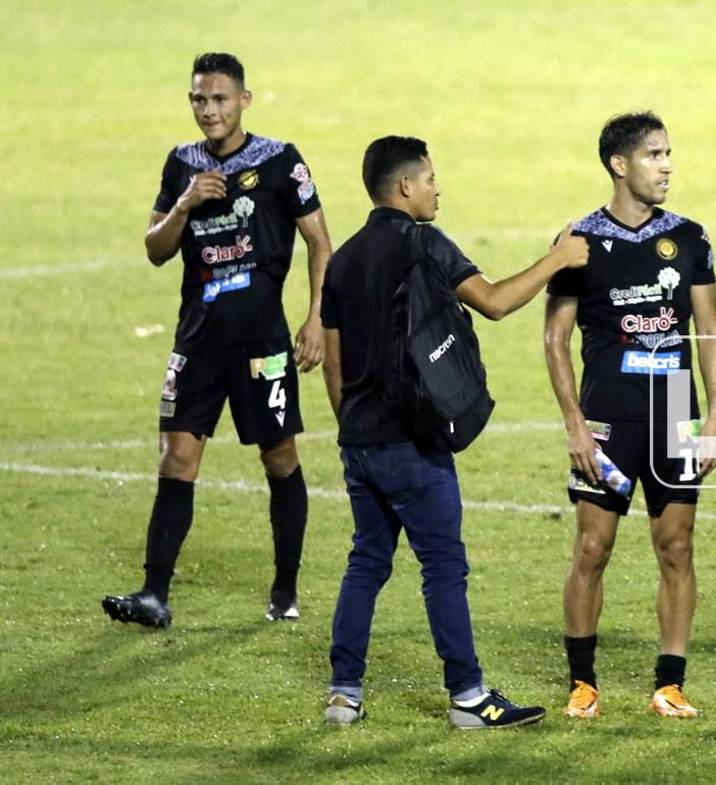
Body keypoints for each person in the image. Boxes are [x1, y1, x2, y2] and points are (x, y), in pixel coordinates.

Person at [320, 135, 589, 728]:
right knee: (443, 566)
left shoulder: (342, 258)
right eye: (431, 178)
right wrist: (558, 259)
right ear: (405, 187)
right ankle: (469, 696)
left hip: (359, 442)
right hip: (413, 444)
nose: (438, 188)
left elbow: (334, 362)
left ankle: (344, 693)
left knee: (366, 561)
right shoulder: (424, 243)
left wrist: (354, 427)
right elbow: (493, 303)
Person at [102, 52, 332, 628]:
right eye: (199, 100)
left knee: (279, 458)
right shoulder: (182, 165)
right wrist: (185, 203)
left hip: (263, 344)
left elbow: (321, 243)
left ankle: (284, 589)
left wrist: (315, 321)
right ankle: (154, 595)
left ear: (244, 100)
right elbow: (156, 248)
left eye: (220, 99)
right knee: (176, 458)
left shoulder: (281, 161)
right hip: (198, 341)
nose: (209, 110)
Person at [545, 112, 716, 719]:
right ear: (620, 165)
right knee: (592, 547)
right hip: (607, 418)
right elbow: (555, 339)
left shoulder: (691, 238)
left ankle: (670, 684)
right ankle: (582, 682)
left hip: (676, 414)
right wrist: (573, 423)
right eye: (654, 155)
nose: (667, 165)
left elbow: (710, 332)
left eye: (669, 153)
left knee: (676, 546)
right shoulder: (580, 242)